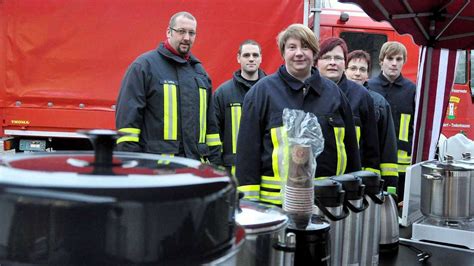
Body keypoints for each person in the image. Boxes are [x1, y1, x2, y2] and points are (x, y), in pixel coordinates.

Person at [235, 24, 361, 205]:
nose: (299, 53)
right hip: (276, 206)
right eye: (292, 47)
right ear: (283, 52)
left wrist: (352, 196)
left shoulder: (335, 94)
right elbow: (247, 155)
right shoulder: (261, 93)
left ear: (314, 52)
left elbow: (350, 149)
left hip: (327, 204)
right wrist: (249, 206)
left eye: (305, 47)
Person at [115, 11, 222, 164]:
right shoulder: (144, 67)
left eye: (191, 33)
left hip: (194, 170)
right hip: (156, 171)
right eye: (181, 31)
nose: (186, 37)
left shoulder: (200, 74)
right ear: (168, 32)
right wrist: (133, 167)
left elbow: (211, 128)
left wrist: (216, 167)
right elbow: (128, 125)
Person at [316, 37, 380, 175]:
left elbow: (371, 147)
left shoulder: (362, 96)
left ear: (345, 63)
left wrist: (367, 184)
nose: (333, 63)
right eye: (327, 57)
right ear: (316, 63)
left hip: (349, 182)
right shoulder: (307, 92)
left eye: (338, 58)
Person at [368, 41, 416, 201]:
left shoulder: (412, 90)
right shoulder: (369, 87)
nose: (394, 63)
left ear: (404, 62)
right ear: (381, 61)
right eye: (390, 58)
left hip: (402, 165)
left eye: (399, 59)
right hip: (373, 160)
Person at [346, 50, 399, 190]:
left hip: (367, 182)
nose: (357, 73)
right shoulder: (333, 98)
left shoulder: (379, 103)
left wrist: (390, 187)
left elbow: (388, 148)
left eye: (362, 69)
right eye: (352, 68)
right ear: (344, 70)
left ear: (367, 75)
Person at [213, 40, 266, 176]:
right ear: (238, 58)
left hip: (265, 167)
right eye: (246, 55)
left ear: (261, 58)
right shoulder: (223, 93)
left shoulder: (271, 90)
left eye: (255, 55)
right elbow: (213, 132)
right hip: (232, 170)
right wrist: (217, 167)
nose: (251, 59)